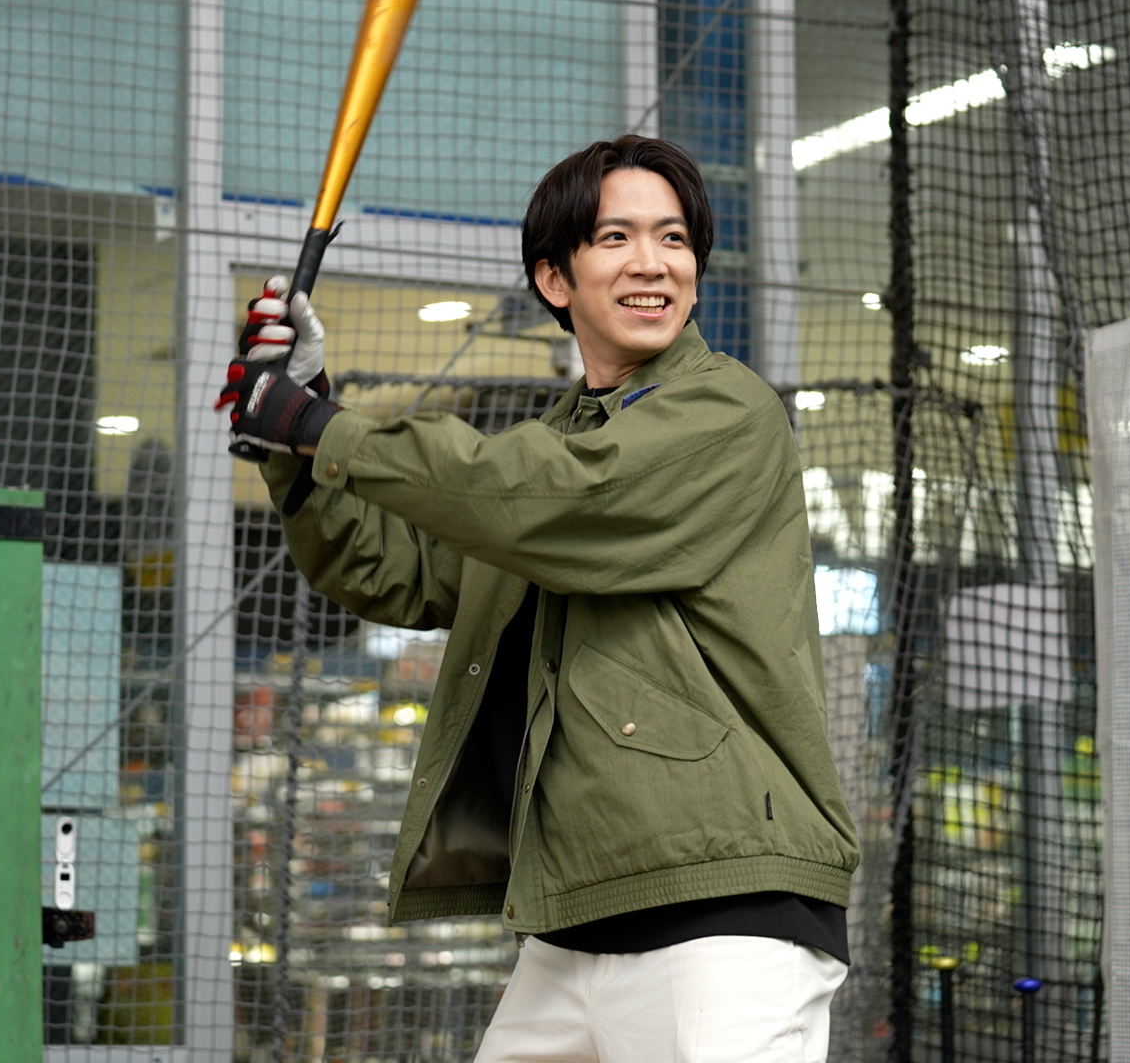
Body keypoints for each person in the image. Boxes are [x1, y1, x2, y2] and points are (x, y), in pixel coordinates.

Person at [218, 135, 858, 1062]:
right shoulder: (553, 448)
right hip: (575, 921)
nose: (653, 263)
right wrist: (295, 437)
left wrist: (321, 424)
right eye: (618, 238)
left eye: (674, 239)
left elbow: (554, 496)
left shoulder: (729, 411)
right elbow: (389, 568)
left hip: (727, 914)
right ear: (554, 278)